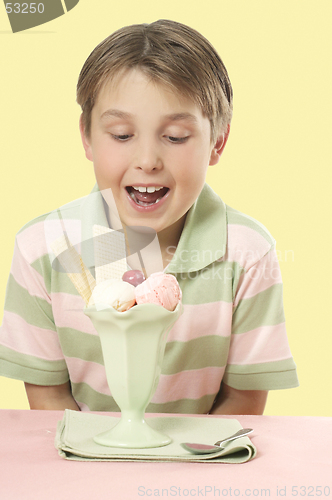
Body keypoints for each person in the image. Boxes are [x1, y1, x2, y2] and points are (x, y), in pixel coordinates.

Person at [0, 20, 298, 414]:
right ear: (87, 137)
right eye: (122, 135)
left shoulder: (247, 255)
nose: (147, 161)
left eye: (175, 137)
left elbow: (242, 400)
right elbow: (50, 398)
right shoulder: (44, 248)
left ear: (217, 142)